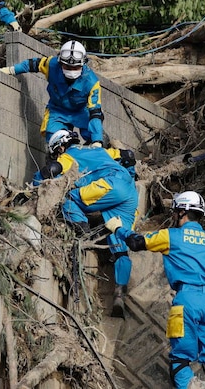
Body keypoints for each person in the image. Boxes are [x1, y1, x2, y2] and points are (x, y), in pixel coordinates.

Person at [105, 191, 205, 388]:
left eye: (175, 213)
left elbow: (137, 243)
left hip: (188, 300)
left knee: (180, 361)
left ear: (182, 212)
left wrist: (118, 228)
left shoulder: (171, 236)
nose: (174, 216)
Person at [36, 129, 138, 317]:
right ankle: (119, 294)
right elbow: (128, 156)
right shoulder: (98, 150)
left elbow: (52, 171)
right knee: (121, 243)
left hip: (109, 185)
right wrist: (133, 175)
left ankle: (83, 230)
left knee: (67, 198)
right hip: (130, 191)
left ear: (59, 147)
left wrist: (36, 183)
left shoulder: (68, 156)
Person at [0, 40, 105, 146]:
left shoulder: (92, 82)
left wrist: (97, 140)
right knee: (55, 142)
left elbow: (95, 112)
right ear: (60, 63)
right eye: (67, 67)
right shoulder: (51, 65)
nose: (71, 70)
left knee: (94, 137)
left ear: (83, 64)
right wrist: (11, 70)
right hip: (57, 111)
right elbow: (31, 64)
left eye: (75, 67)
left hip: (82, 112)